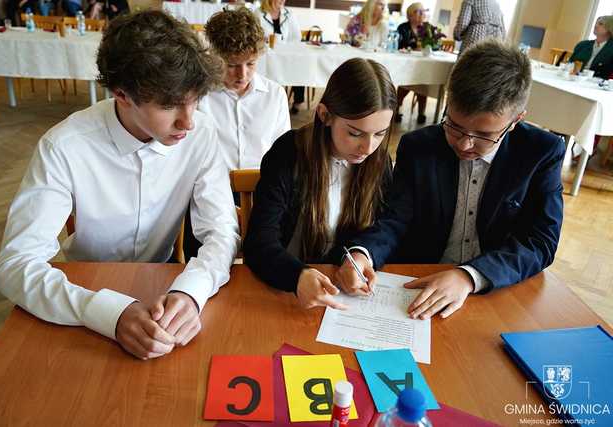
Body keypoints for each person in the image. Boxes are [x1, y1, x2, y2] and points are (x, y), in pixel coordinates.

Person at [0, 11, 240, 360]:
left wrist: (192, 292)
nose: (188, 121)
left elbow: (222, 230)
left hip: (165, 281)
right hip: (81, 289)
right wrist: (108, 312)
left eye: (195, 100)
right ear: (121, 94)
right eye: (170, 105)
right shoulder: (65, 145)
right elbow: (14, 265)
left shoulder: (202, 135)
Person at [334, 40, 564, 320]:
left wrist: (469, 276)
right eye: (454, 126)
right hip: (417, 284)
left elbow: (540, 242)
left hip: (495, 289)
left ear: (516, 120)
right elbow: (395, 219)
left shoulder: (540, 152)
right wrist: (363, 253)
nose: (465, 144)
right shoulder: (419, 147)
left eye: (483, 135)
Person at [244, 58, 396, 310]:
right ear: (325, 115)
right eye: (355, 133)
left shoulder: (379, 160)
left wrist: (358, 258)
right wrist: (297, 276)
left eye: (380, 134)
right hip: (283, 288)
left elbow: (383, 227)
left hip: (341, 292)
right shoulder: (288, 152)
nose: (368, 148)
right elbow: (259, 241)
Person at [198, 7, 290, 172]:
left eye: (251, 63)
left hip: (263, 186)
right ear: (214, 57)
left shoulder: (275, 95)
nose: (242, 74)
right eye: (232, 65)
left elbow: (283, 153)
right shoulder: (201, 95)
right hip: (215, 185)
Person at [395, 2, 442, 124]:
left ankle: (422, 113)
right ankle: (396, 108)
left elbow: (437, 46)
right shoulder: (403, 28)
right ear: (410, 15)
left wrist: (428, 47)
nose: (423, 14)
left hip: (424, 65)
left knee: (423, 82)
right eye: (419, 12)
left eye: (424, 11)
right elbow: (400, 45)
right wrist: (414, 47)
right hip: (407, 65)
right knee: (407, 81)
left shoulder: (429, 28)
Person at [255, 0, 305, 114]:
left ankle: (297, 101)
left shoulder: (289, 13)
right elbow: (253, 35)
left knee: (300, 65)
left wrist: (286, 45)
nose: (283, 0)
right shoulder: (258, 13)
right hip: (266, 55)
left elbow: (296, 36)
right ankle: (267, 100)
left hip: (286, 55)